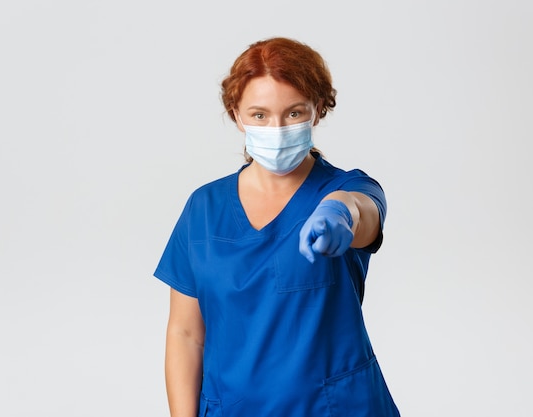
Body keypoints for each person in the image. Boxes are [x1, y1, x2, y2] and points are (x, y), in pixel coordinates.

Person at [154, 36, 400, 417]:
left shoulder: (346, 188)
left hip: (334, 408)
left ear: (317, 110)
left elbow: (363, 211)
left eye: (294, 112)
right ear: (237, 114)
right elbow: (186, 334)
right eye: (260, 115)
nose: (278, 127)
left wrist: (339, 214)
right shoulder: (204, 208)